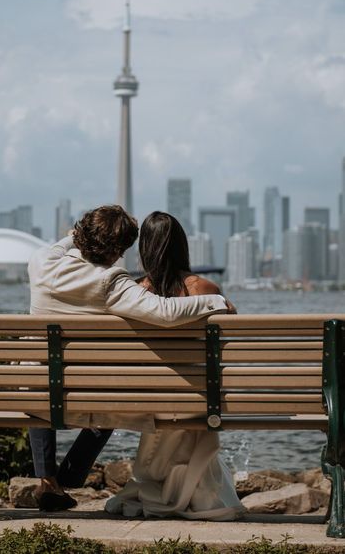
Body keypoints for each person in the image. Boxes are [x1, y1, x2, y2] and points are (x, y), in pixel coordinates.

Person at [27, 205, 235, 512]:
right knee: (110, 400)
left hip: (31, 386)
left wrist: (84, 231)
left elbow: (65, 241)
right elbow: (165, 312)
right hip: (88, 392)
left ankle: (48, 479)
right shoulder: (112, 282)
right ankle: (71, 474)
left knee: (42, 380)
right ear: (119, 251)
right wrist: (216, 301)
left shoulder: (40, 261)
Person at [105, 211, 245, 520]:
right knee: (193, 389)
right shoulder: (206, 290)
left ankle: (157, 480)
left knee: (166, 392)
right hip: (197, 399)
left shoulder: (137, 294)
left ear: (145, 249)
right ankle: (195, 489)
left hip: (150, 401)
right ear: (183, 246)